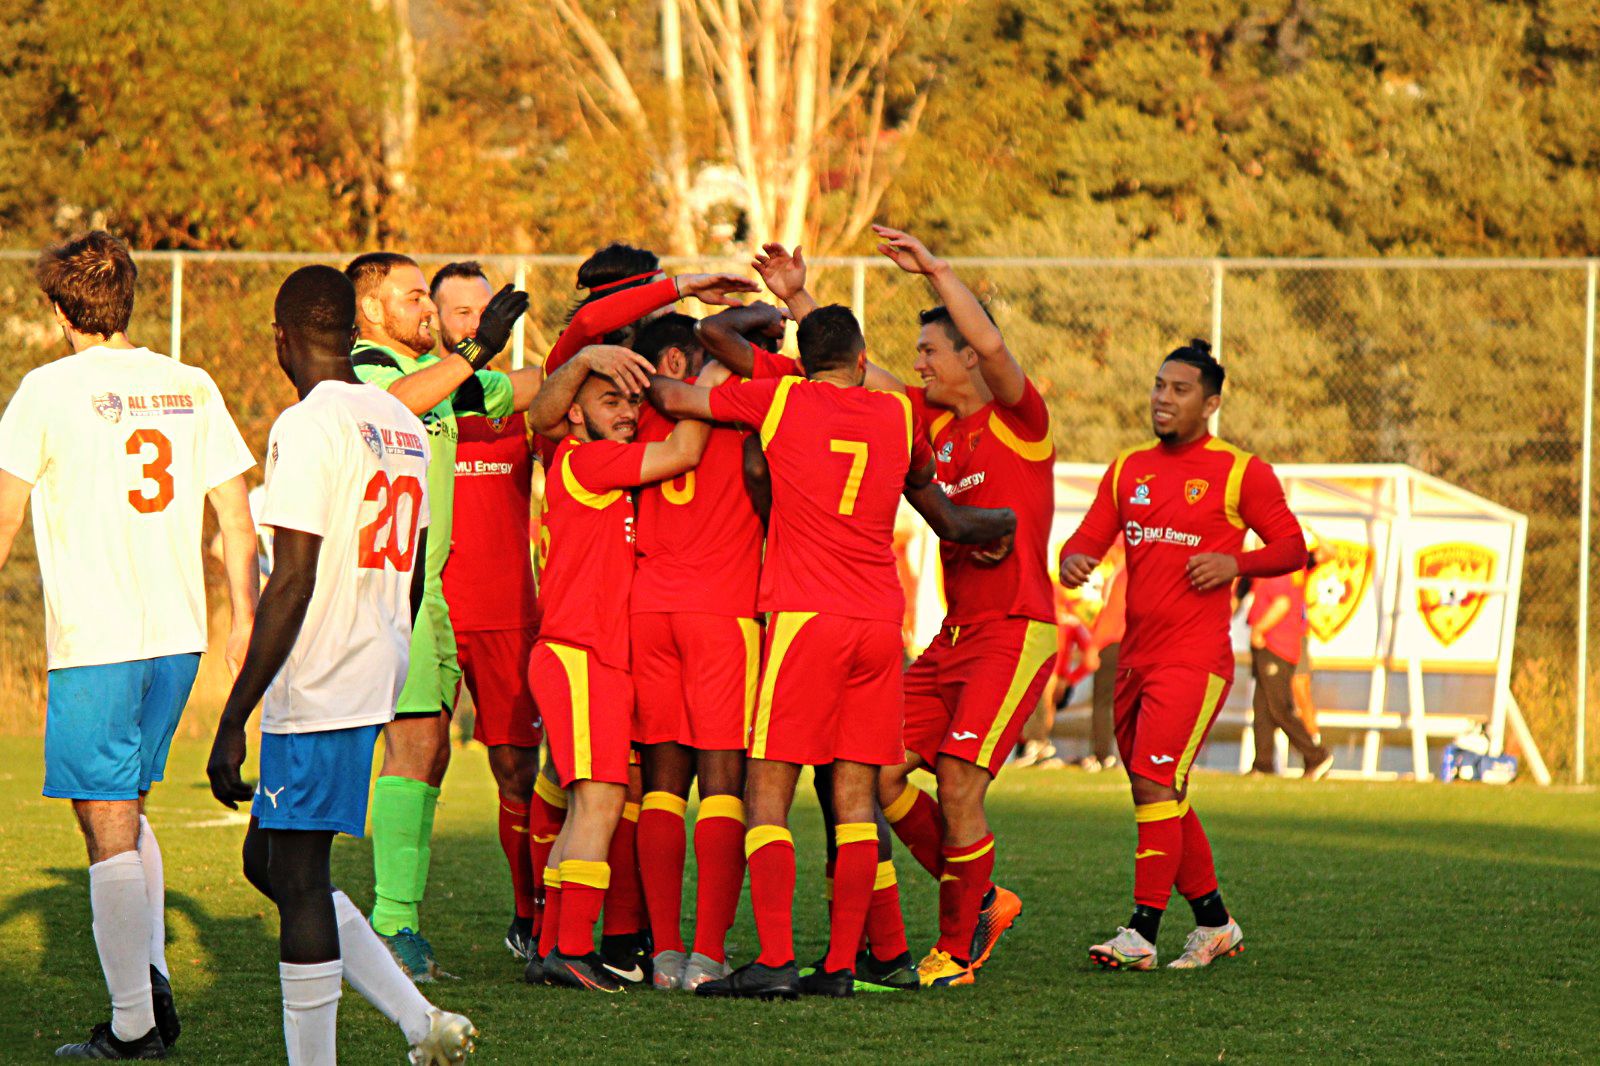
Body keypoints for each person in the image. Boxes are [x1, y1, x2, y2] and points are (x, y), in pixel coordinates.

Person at [651, 305, 1016, 1000]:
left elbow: (678, 388)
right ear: (860, 359)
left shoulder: (782, 398)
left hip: (804, 616)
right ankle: (842, 965)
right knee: (854, 797)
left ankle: (777, 960)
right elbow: (941, 510)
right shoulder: (896, 414)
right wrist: (1006, 522)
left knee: (767, 792)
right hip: (879, 622)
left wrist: (758, 307)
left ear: (802, 357)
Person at [732, 231, 1056, 988]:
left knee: (959, 782)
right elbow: (847, 370)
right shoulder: (919, 422)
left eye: (930, 351)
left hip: (1016, 631)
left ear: (969, 358)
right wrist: (797, 298)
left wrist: (939, 271)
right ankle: (980, 898)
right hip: (951, 637)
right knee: (877, 780)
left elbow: (993, 343)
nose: (917, 363)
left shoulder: (1019, 418)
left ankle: (956, 949)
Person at [205, 265, 475, 1065]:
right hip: (375, 662)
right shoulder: (396, 420)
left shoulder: (309, 423)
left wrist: (231, 717)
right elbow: (419, 555)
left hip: (321, 677)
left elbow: (291, 579)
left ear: (283, 339)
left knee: (297, 874)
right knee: (272, 860)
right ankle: (418, 1021)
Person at [0, 231, 257, 1059]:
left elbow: (1, 517)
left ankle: (133, 1027)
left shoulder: (46, 389)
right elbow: (237, 514)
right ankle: (151, 981)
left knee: (105, 823)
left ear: (57, 307)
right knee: (128, 809)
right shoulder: (189, 383)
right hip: (177, 638)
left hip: (100, 640)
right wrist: (243, 617)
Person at [1059, 339, 1306, 971]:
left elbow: (1290, 546)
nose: (1162, 399)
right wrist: (1073, 562)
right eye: (1159, 386)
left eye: (1179, 390)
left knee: (1152, 782)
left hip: (1194, 660)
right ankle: (1216, 923)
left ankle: (1142, 932)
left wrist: (1236, 562)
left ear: (1211, 402)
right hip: (1135, 657)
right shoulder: (1128, 468)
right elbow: (1083, 541)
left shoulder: (1239, 471)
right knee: (1165, 790)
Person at [344, 251, 532, 979]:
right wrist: (472, 352)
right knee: (414, 745)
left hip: (433, 593)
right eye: (414, 295)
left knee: (433, 749)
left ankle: (400, 921)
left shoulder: (444, 380)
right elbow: (401, 402)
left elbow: (521, 389)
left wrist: (599, 353)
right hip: (390, 591)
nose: (427, 307)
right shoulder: (364, 367)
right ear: (371, 310)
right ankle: (392, 923)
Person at [522, 343, 711, 993]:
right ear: (574, 416)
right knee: (600, 804)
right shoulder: (592, 460)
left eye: (632, 401)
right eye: (611, 401)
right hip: (578, 654)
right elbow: (685, 452)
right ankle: (573, 947)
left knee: (586, 808)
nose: (628, 412)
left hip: (588, 657)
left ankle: (553, 949)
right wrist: (706, 387)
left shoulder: (588, 459)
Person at [626, 311, 769, 991]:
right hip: (722, 612)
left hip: (648, 610)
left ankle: (663, 955)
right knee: (721, 785)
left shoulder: (640, 417)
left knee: (660, 784)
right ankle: (707, 955)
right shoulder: (742, 413)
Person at [430, 262, 547, 962]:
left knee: (516, 771)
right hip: (431, 613)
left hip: (507, 612)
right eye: (460, 313)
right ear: (436, 321)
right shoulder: (414, 393)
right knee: (417, 761)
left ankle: (529, 912)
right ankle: (395, 921)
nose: (473, 325)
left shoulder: (516, 399)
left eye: (483, 312)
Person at [1246, 558, 1334, 779]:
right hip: (1273, 646)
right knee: (1263, 707)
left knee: (1279, 708)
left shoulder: (1280, 566)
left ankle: (1316, 755)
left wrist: (1258, 629)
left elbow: (1282, 603)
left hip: (1276, 645)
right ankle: (1263, 764)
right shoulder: (1281, 566)